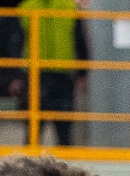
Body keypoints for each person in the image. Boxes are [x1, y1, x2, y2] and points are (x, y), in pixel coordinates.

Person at [12, 0, 89, 146]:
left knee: (62, 131)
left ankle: (61, 161)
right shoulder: (26, 7)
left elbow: (80, 41)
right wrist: (16, 76)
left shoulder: (69, 7)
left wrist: (81, 74)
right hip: (37, 75)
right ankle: (32, 161)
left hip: (60, 76)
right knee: (34, 131)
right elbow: (15, 43)